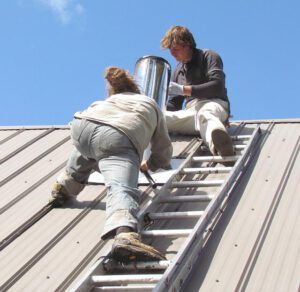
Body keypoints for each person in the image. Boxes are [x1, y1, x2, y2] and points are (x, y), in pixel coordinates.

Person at [50, 66, 172, 262]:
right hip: (118, 136)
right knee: (121, 186)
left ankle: (63, 186)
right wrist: (150, 164)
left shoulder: (111, 100)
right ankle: (125, 235)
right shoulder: (150, 104)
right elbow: (163, 149)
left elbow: (96, 135)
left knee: (89, 149)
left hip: (82, 125)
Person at [161, 25, 234, 158]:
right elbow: (174, 105)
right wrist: (154, 110)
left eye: (175, 49)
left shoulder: (209, 56)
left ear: (187, 44)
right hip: (191, 112)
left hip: (214, 103)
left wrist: (184, 90)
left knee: (206, 114)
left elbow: (217, 86)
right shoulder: (178, 70)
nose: (172, 53)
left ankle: (220, 147)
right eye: (170, 50)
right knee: (158, 118)